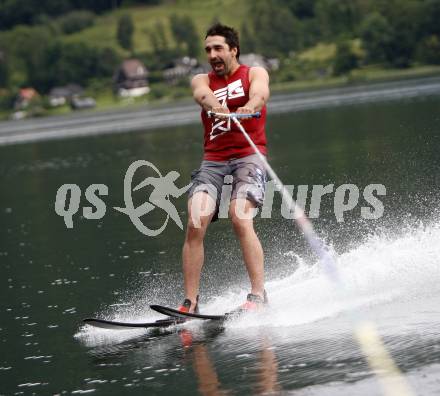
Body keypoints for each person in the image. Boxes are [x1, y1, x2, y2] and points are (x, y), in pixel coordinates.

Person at [179, 23, 270, 314]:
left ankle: (258, 295)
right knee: (195, 220)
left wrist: (249, 105)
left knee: (239, 217)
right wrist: (218, 108)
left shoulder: (254, 73)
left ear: (233, 49)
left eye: (218, 48)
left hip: (249, 156)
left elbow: (260, 94)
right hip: (214, 160)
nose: (212, 54)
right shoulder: (201, 79)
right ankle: (190, 303)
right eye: (208, 50)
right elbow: (202, 95)